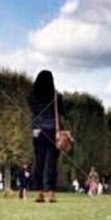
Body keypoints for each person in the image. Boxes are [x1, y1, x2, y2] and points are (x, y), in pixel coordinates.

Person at [29, 70, 65, 203]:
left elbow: (32, 111)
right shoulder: (56, 96)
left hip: (37, 130)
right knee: (52, 164)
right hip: (52, 131)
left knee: (39, 162)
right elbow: (60, 114)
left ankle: (39, 192)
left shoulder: (33, 96)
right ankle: (51, 192)